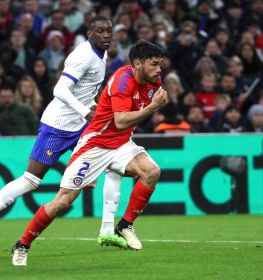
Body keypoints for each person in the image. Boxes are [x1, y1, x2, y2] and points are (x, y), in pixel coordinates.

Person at [0, 15, 126, 255]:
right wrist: (85, 111)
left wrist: (93, 107)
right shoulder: (82, 55)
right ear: (89, 33)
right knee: (30, 181)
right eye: (100, 31)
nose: (106, 35)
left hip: (82, 125)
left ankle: (107, 229)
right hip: (58, 126)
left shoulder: (103, 54)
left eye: (109, 31)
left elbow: (86, 90)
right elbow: (60, 89)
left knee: (115, 164)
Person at [11, 40, 167, 266]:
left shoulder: (154, 80)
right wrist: (153, 107)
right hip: (95, 146)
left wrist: (155, 103)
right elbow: (121, 121)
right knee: (63, 202)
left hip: (121, 144)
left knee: (152, 172)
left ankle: (124, 225)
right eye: (154, 64)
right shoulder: (122, 81)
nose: (158, 69)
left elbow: (145, 109)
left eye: (159, 64)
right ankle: (22, 244)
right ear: (137, 64)